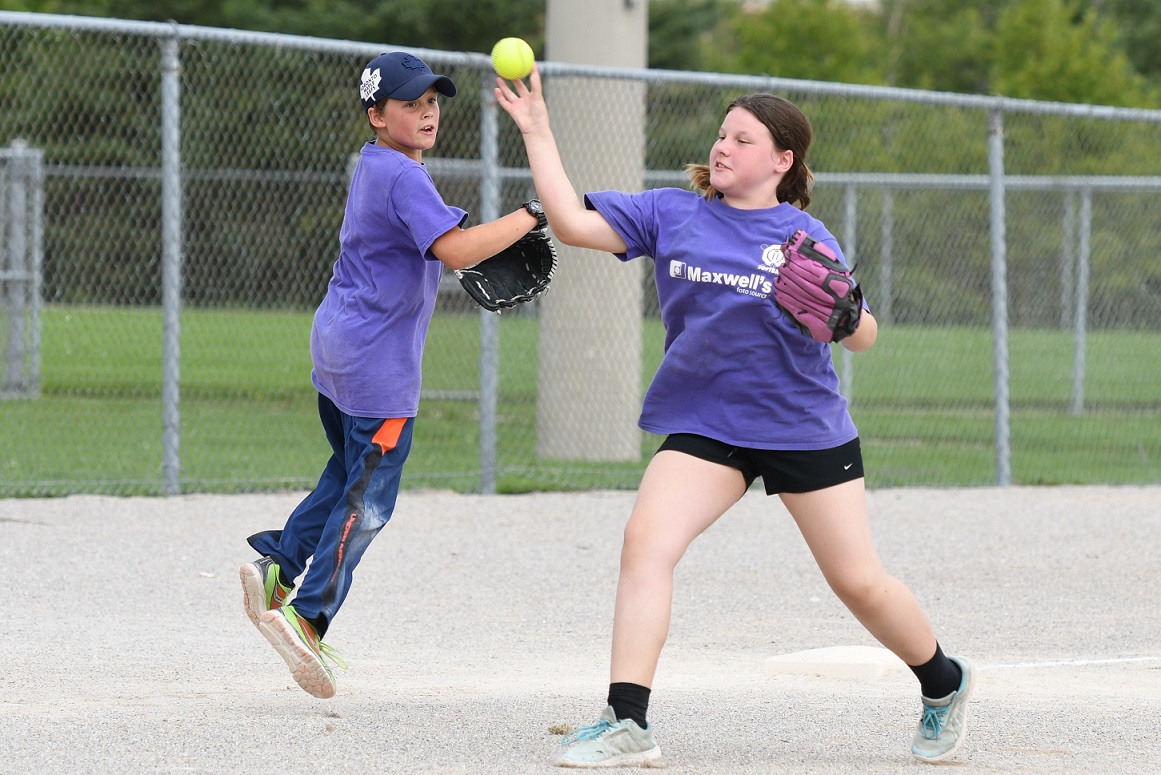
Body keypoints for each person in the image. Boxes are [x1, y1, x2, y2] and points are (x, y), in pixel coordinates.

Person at [495, 66, 974, 767]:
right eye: (721, 134)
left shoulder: (803, 235)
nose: (722, 146)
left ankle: (942, 681)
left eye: (742, 139)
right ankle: (628, 719)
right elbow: (570, 223)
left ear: (781, 161)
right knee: (646, 542)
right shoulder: (672, 212)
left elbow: (863, 334)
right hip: (705, 424)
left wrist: (841, 313)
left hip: (799, 424)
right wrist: (538, 131)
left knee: (856, 580)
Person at [239, 51, 548, 700]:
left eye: (433, 101)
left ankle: (279, 564)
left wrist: (474, 227)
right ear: (377, 115)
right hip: (378, 368)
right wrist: (531, 213)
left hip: (338, 350)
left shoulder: (378, 164)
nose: (427, 112)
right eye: (410, 104)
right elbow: (455, 251)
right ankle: (307, 615)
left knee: (346, 470)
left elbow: (434, 236)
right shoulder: (403, 177)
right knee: (369, 503)